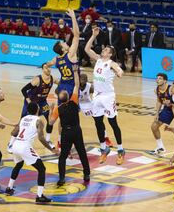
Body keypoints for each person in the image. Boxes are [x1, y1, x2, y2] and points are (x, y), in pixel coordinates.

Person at [85, 27, 125, 165]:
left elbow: (119, 70)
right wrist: (93, 35)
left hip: (108, 96)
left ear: (110, 54)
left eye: (107, 50)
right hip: (97, 95)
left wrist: (119, 73)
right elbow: (86, 49)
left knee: (113, 123)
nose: (104, 50)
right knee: (98, 123)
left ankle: (120, 150)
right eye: (104, 49)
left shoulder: (111, 63)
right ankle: (104, 149)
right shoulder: (98, 59)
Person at [5, 102, 59, 202]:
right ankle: (39, 196)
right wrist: (51, 149)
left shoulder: (23, 118)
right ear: (38, 110)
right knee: (41, 169)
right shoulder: (39, 121)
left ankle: (9, 188)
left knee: (18, 165)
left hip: (16, 145)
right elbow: (41, 138)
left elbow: (13, 133)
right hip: (25, 146)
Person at [49, 65, 91, 186]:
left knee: (63, 157)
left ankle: (62, 178)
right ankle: (86, 174)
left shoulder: (58, 108)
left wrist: (51, 111)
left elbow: (51, 123)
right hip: (77, 131)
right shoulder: (74, 101)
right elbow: (77, 85)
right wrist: (74, 71)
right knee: (82, 152)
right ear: (67, 97)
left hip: (66, 133)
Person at [18, 63, 58, 148]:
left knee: (50, 120)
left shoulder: (52, 79)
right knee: (22, 121)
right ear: (42, 69)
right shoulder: (37, 79)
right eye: (46, 68)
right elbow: (24, 90)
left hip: (42, 102)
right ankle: (12, 142)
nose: (48, 69)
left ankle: (47, 140)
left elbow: (61, 84)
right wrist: (28, 101)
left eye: (49, 68)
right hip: (31, 102)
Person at [47, 9, 79, 104]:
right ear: (62, 49)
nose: (65, 42)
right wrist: (73, 17)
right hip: (72, 86)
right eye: (63, 43)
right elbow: (76, 36)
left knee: (61, 109)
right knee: (71, 110)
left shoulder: (57, 59)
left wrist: (50, 77)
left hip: (62, 85)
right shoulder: (71, 54)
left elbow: (46, 65)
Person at [79, 73, 113, 147]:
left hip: (88, 103)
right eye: (81, 79)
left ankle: (105, 137)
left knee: (98, 120)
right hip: (77, 103)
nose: (82, 81)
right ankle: (64, 141)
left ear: (86, 80)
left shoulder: (90, 87)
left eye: (84, 79)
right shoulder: (75, 85)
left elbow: (99, 93)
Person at [149, 73, 174, 154]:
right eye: (157, 78)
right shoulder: (156, 90)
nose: (157, 80)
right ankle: (160, 147)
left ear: (165, 81)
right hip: (168, 109)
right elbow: (159, 101)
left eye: (160, 78)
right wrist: (157, 113)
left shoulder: (171, 89)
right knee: (154, 126)